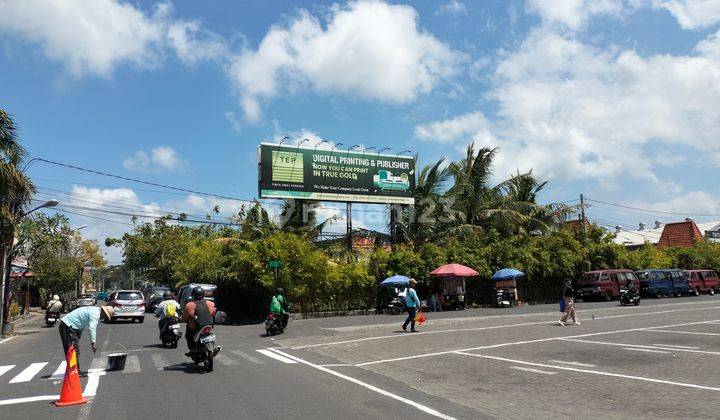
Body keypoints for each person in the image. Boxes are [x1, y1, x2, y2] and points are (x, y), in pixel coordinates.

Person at [58, 305, 113, 371]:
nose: (103, 318)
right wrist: (93, 343)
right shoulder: (95, 314)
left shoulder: (94, 310)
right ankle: (75, 370)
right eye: (105, 316)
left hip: (69, 325)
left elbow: (81, 323)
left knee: (73, 348)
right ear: (104, 312)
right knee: (73, 350)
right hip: (68, 326)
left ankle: (73, 370)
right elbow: (92, 328)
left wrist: (78, 338)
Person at [180, 286, 219, 357]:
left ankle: (192, 350)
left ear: (193, 295)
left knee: (188, 335)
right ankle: (213, 347)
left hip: (196, 327)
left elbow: (184, 318)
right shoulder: (211, 304)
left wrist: (183, 320)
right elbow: (213, 314)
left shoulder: (190, 305)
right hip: (209, 325)